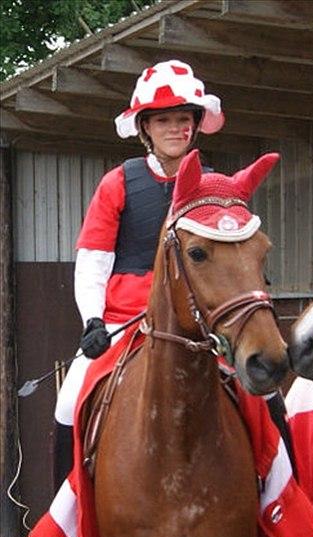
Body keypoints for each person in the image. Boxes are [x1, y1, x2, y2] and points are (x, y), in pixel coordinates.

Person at [52, 59, 224, 491]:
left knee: (266, 396)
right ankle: (66, 515)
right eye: (163, 120)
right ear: (145, 127)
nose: (175, 128)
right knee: (68, 402)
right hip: (125, 320)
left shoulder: (215, 186)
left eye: (183, 119)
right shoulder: (118, 182)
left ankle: (276, 512)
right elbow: (93, 258)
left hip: (200, 322)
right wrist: (93, 320)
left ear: (195, 124)